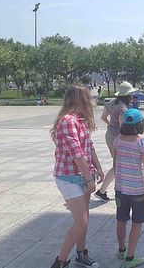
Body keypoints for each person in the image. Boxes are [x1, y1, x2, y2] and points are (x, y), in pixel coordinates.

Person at [50, 85, 105, 268]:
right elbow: (77, 153)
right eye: (88, 98)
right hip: (69, 177)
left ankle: (81, 254)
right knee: (81, 222)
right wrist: (90, 179)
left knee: (84, 220)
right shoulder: (67, 121)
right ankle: (60, 261)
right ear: (79, 99)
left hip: (83, 174)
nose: (91, 101)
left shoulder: (80, 120)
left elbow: (88, 147)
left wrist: (98, 167)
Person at [114, 108, 144, 268]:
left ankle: (122, 250)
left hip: (120, 189)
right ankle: (130, 259)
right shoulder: (142, 142)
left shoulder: (118, 140)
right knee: (137, 223)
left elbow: (115, 163)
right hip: (137, 190)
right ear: (140, 124)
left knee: (121, 219)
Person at [95, 81, 137, 201]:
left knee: (118, 164)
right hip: (118, 138)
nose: (133, 96)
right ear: (127, 96)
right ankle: (102, 191)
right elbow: (123, 126)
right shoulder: (123, 108)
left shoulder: (112, 102)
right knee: (118, 165)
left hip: (109, 135)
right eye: (131, 94)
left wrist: (111, 126)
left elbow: (103, 117)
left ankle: (111, 190)